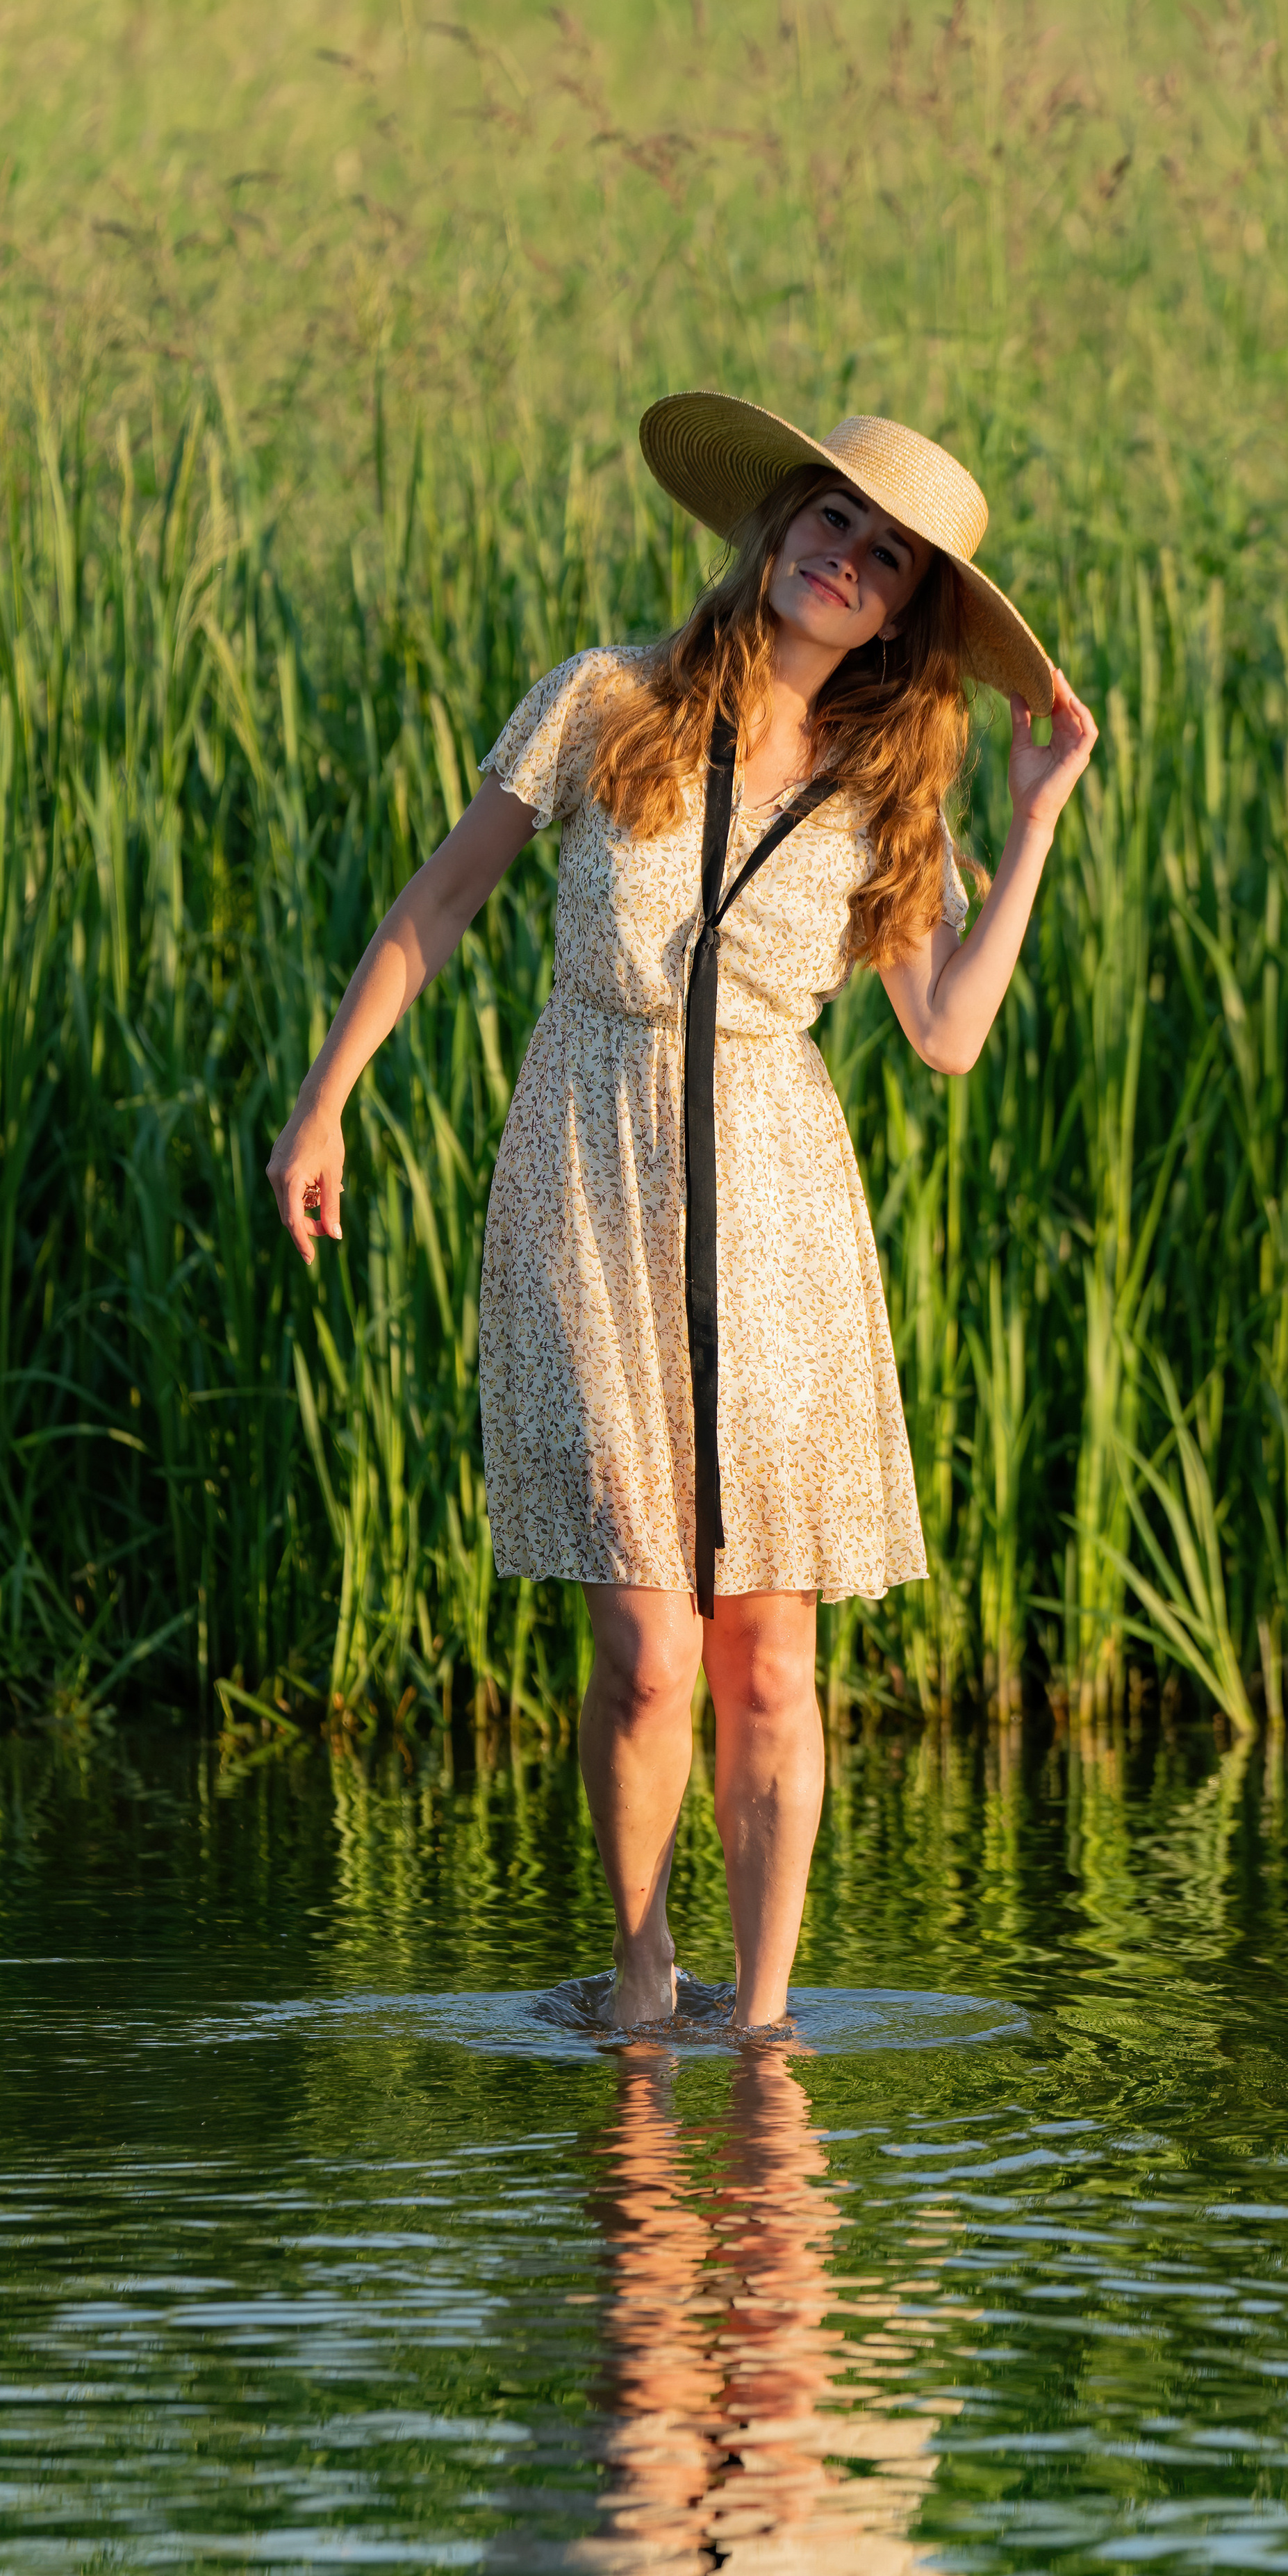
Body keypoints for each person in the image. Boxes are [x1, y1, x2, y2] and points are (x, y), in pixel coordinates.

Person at [267, 394, 1096, 2032]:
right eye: (831, 522)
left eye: (887, 557)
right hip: (587, 1161)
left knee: (767, 1655)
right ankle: (644, 1976)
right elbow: (439, 902)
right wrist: (325, 1098)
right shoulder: (603, 699)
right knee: (648, 1644)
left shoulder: (881, 787)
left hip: (778, 1195)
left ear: (909, 607)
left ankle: (766, 2026)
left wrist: (1034, 822)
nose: (844, 561)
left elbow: (946, 1035)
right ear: (774, 525)